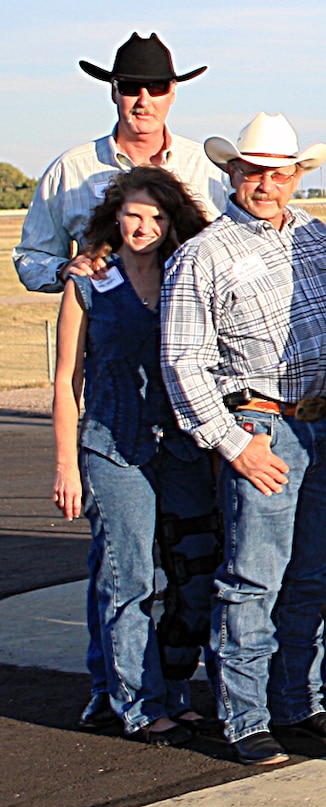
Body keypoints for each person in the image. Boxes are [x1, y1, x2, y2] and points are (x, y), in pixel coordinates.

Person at [160, 113, 326, 767]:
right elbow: (182, 359)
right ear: (233, 173)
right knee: (251, 579)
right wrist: (232, 443)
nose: (267, 183)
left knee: (312, 574)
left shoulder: (314, 236)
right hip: (261, 426)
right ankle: (244, 717)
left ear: (297, 176)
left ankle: (300, 700)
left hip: (325, 422)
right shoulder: (203, 254)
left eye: (280, 172)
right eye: (253, 171)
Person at [51, 168, 216, 744]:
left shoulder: (185, 276)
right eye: (134, 215)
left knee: (195, 574)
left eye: (157, 217)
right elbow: (67, 381)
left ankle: (173, 689)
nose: (144, 227)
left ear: (172, 223)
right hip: (113, 447)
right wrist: (67, 465)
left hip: (183, 448)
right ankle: (138, 705)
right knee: (131, 580)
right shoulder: (88, 283)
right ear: (114, 218)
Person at [15, 33, 230, 294]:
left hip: (196, 325)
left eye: (157, 87)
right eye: (130, 87)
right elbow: (32, 256)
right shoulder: (68, 170)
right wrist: (64, 270)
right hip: (107, 327)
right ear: (114, 91)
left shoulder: (210, 168)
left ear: (172, 92)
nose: (144, 100)